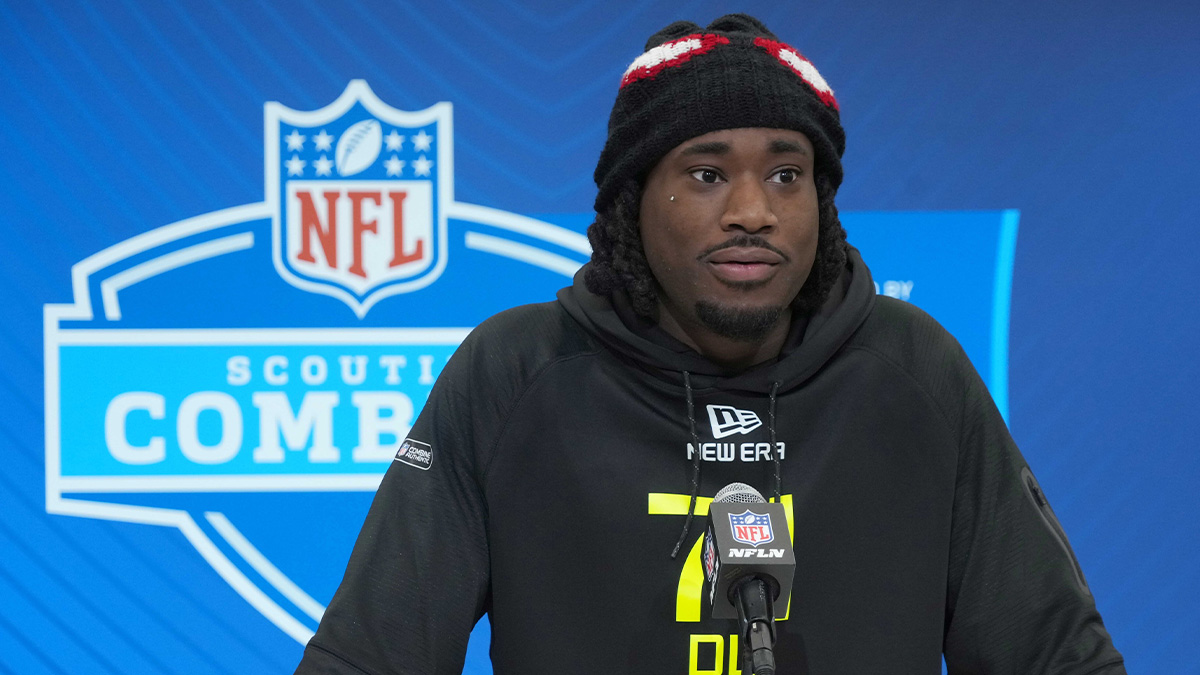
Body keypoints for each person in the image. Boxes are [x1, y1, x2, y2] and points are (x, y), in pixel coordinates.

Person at [294, 14, 1126, 675]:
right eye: (706, 172)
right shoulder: (517, 371)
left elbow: (1057, 657)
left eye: (786, 174)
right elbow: (370, 656)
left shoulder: (914, 372)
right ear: (633, 199)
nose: (753, 211)